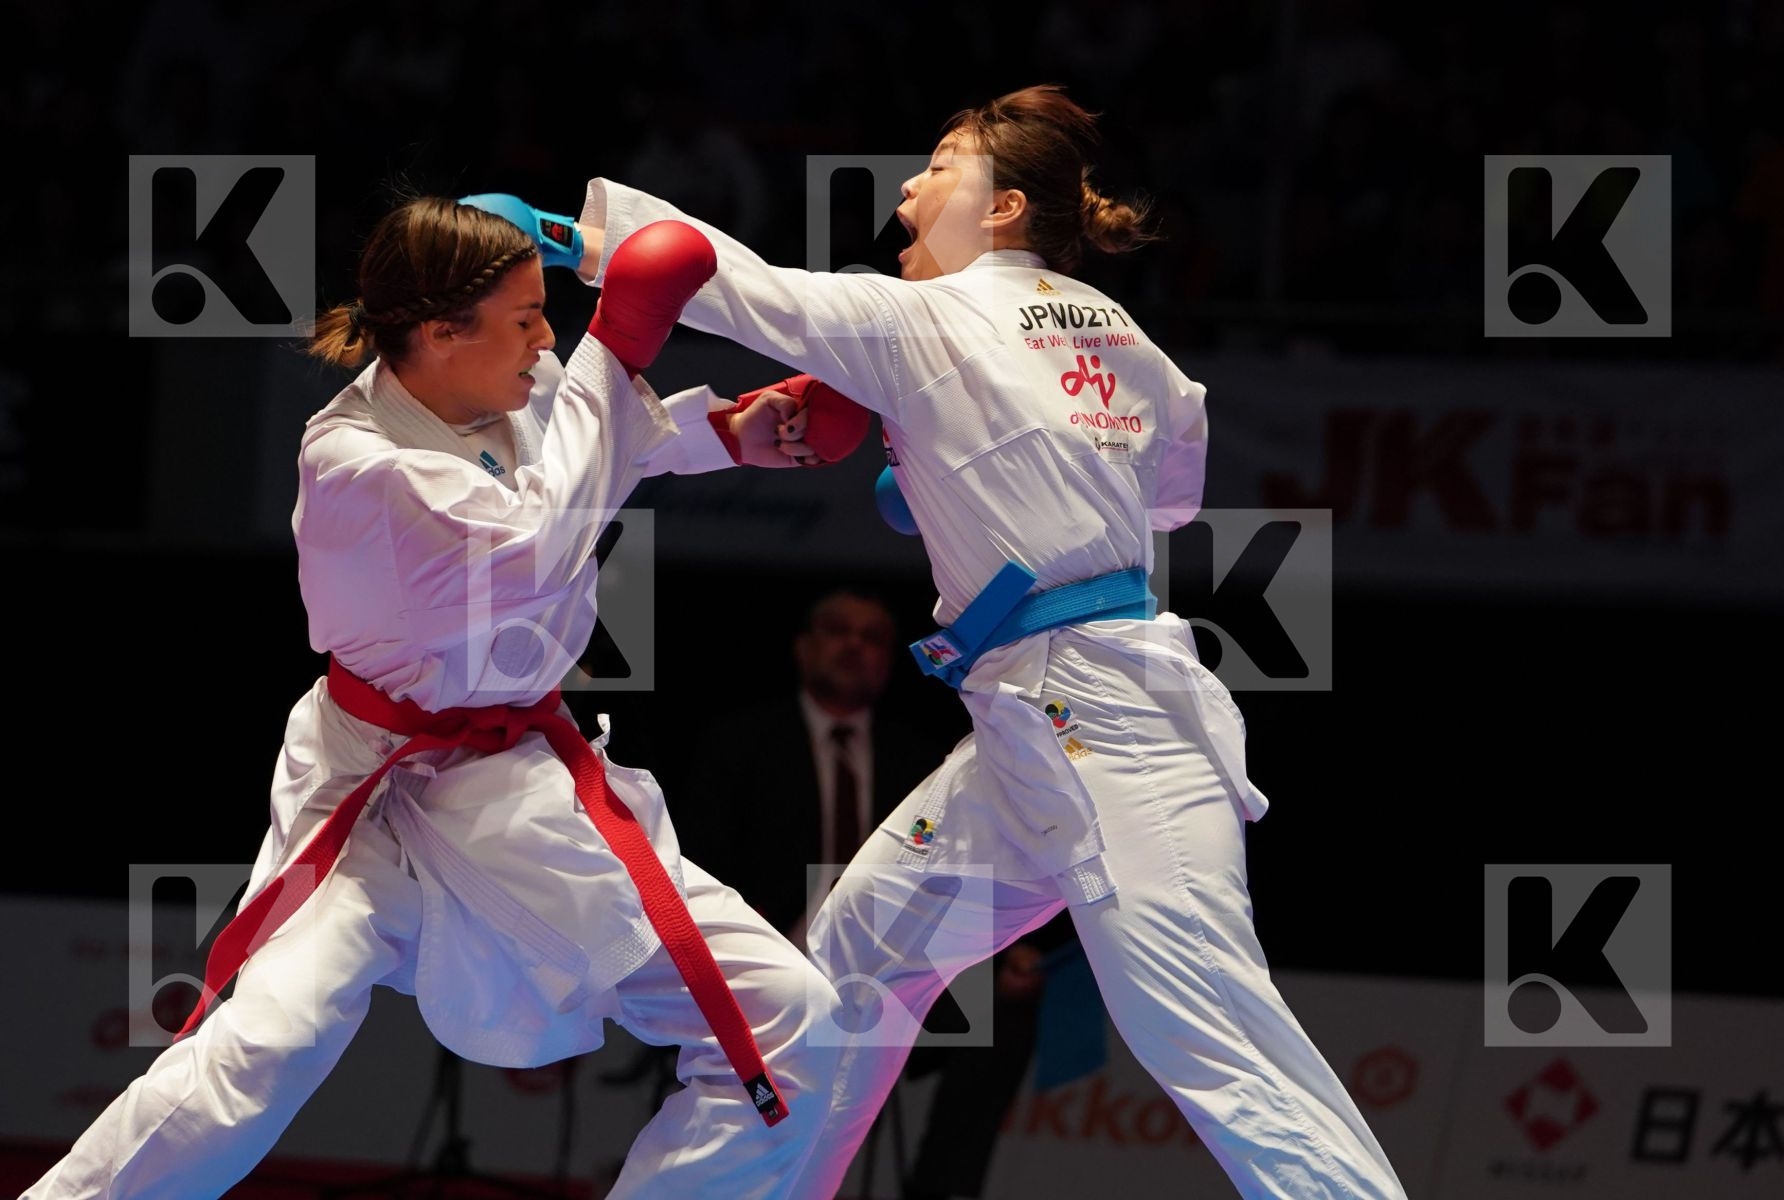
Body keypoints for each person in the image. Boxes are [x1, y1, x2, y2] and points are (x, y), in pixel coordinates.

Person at [572, 85, 1410, 1198]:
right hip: (1026, 735)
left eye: (937, 169)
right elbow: (1168, 499)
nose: (908, 192)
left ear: (1005, 208)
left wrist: (555, 236)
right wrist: (973, 470)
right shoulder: (1137, 343)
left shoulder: (925, 318)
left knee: (1206, 1026)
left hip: (1110, 732)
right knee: (853, 965)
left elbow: (715, 274)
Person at [22, 191, 867, 1199]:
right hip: (367, 791)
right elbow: (530, 548)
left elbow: (599, 440)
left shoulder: (519, 384)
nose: (548, 339)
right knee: (270, 1042)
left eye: (551, 316)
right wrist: (623, 337)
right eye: (525, 320)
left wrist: (728, 430)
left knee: (795, 1022)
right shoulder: (353, 462)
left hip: (519, 790)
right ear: (436, 332)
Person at [678, 588, 955, 946]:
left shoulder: (921, 761)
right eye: (838, 630)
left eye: (872, 638)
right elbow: (698, 853)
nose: (854, 645)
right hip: (762, 945)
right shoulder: (741, 742)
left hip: (887, 951)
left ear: (888, 662)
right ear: (804, 647)